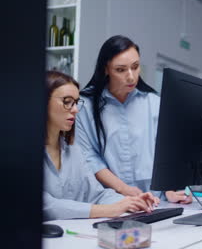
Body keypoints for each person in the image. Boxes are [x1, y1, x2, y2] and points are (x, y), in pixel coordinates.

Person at [76, 35, 191, 203]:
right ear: (105, 69)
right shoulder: (84, 106)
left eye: (135, 67)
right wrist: (124, 189)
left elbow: (167, 151)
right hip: (112, 201)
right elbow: (89, 157)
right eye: (121, 70)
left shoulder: (154, 102)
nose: (131, 76)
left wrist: (170, 190)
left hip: (156, 200)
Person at [43, 71, 160, 221]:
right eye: (67, 102)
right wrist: (109, 210)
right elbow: (47, 206)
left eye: (76, 102)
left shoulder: (73, 150)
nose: (75, 109)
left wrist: (130, 202)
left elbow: (97, 194)